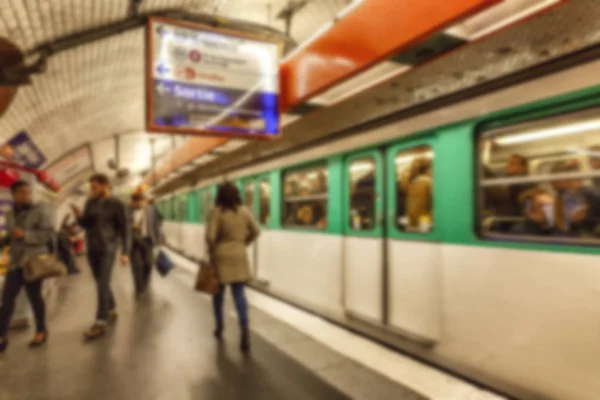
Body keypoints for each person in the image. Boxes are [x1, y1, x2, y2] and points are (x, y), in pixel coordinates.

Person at [72, 174, 130, 341]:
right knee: (100, 282)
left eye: (95, 187)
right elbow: (86, 224)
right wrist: (78, 216)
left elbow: (125, 229)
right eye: (92, 187)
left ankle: (100, 322)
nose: (93, 190)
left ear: (105, 185)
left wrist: (125, 252)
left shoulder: (117, 204)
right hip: (92, 248)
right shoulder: (91, 202)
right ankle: (111, 308)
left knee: (102, 283)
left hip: (108, 248)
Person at [0, 180, 55, 353]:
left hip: (32, 262)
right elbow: (11, 235)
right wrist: (5, 241)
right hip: (15, 263)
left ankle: (41, 331)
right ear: (14, 195)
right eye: (22, 192)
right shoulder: (9, 214)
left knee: (34, 297)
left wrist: (25, 234)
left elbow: (48, 234)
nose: (26, 195)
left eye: (28, 192)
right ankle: (2, 336)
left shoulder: (39, 211)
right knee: (7, 299)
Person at [206, 182, 260, 352]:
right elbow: (256, 231)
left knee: (218, 295)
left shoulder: (216, 212)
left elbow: (210, 236)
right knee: (239, 296)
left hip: (220, 256)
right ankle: (244, 331)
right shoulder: (245, 211)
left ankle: (219, 327)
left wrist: (212, 250)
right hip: (239, 255)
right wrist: (243, 243)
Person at [128, 193, 162, 298]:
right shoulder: (127, 211)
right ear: (133, 202)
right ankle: (139, 288)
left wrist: (158, 240)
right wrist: (132, 226)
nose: (139, 203)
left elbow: (157, 223)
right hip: (134, 242)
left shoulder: (151, 210)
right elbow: (122, 225)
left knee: (148, 264)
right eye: (136, 202)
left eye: (141, 201)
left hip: (147, 240)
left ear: (144, 201)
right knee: (137, 266)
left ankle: (145, 284)